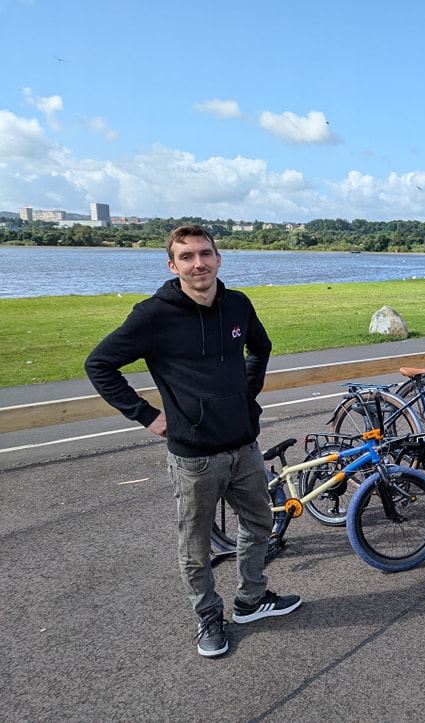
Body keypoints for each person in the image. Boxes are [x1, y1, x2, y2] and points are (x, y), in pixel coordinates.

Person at [85, 225, 299, 658]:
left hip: (244, 445)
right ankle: (207, 616)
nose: (198, 263)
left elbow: (261, 347)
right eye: (187, 257)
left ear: (219, 259)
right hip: (194, 457)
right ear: (173, 265)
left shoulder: (238, 305)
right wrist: (146, 415)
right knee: (195, 544)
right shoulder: (153, 315)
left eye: (205, 254)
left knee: (260, 525)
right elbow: (100, 364)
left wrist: (246, 393)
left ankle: (251, 600)